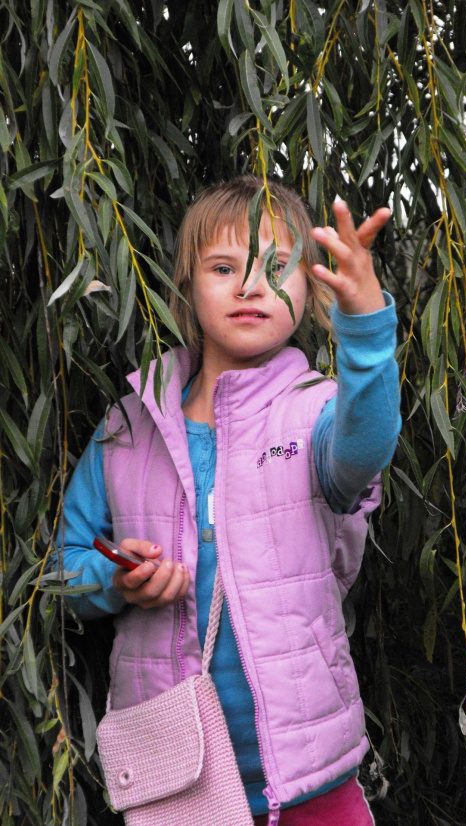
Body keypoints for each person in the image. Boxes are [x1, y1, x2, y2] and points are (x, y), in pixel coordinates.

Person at [59, 175, 401, 825]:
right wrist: (115, 577)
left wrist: (366, 328)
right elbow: (63, 565)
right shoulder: (127, 429)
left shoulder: (319, 414)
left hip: (311, 772)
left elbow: (367, 444)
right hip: (174, 781)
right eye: (224, 267)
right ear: (186, 285)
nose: (251, 286)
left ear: (308, 288)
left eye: (277, 267)